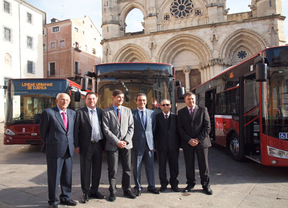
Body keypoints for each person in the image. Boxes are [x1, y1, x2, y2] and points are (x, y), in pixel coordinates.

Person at [39, 93, 77, 208]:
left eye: (66, 100)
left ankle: (66, 197)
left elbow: (72, 131)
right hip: (54, 151)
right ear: (57, 100)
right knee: (54, 177)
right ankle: (53, 201)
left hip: (68, 150)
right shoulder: (49, 113)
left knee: (67, 176)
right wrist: (51, 144)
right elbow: (43, 132)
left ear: (69, 102)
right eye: (62, 99)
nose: (64, 102)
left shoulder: (72, 113)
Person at [102, 89, 136, 202]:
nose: (121, 99)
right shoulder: (106, 112)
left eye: (122, 97)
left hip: (126, 145)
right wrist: (117, 141)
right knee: (113, 170)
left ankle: (127, 190)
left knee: (127, 169)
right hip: (113, 145)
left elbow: (131, 127)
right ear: (113, 97)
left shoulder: (128, 111)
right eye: (118, 97)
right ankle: (112, 191)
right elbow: (106, 130)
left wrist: (125, 141)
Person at [177, 92, 213, 195]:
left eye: (192, 99)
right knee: (189, 165)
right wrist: (189, 140)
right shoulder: (181, 112)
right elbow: (180, 128)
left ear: (195, 99)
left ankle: (206, 185)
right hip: (188, 143)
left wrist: (197, 139)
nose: (191, 101)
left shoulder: (203, 110)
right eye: (188, 99)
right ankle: (190, 184)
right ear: (185, 100)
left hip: (201, 143)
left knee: (204, 165)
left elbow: (207, 127)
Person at [74, 92, 106, 203]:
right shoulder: (79, 113)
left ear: (96, 100)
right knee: (85, 170)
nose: (91, 100)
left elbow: (105, 129)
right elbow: (76, 131)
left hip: (98, 144)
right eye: (89, 99)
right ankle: (85, 192)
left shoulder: (101, 112)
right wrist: (76, 145)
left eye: (93, 98)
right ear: (85, 100)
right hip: (85, 145)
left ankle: (95, 190)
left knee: (97, 169)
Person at [132, 93, 159, 196]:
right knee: (137, 167)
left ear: (146, 101)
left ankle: (151, 186)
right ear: (136, 101)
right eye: (139, 100)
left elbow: (153, 128)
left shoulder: (152, 113)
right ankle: (137, 187)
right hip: (137, 143)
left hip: (149, 143)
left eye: (143, 100)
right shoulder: (132, 113)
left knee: (150, 166)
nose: (141, 102)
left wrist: (152, 141)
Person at [154, 99, 180, 192]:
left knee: (174, 166)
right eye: (163, 105)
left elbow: (179, 131)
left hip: (174, 146)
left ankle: (174, 184)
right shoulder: (156, 117)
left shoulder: (176, 117)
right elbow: (154, 132)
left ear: (170, 105)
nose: (165, 106)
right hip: (161, 146)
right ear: (160, 106)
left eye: (167, 104)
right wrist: (154, 145)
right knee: (162, 167)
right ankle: (163, 184)